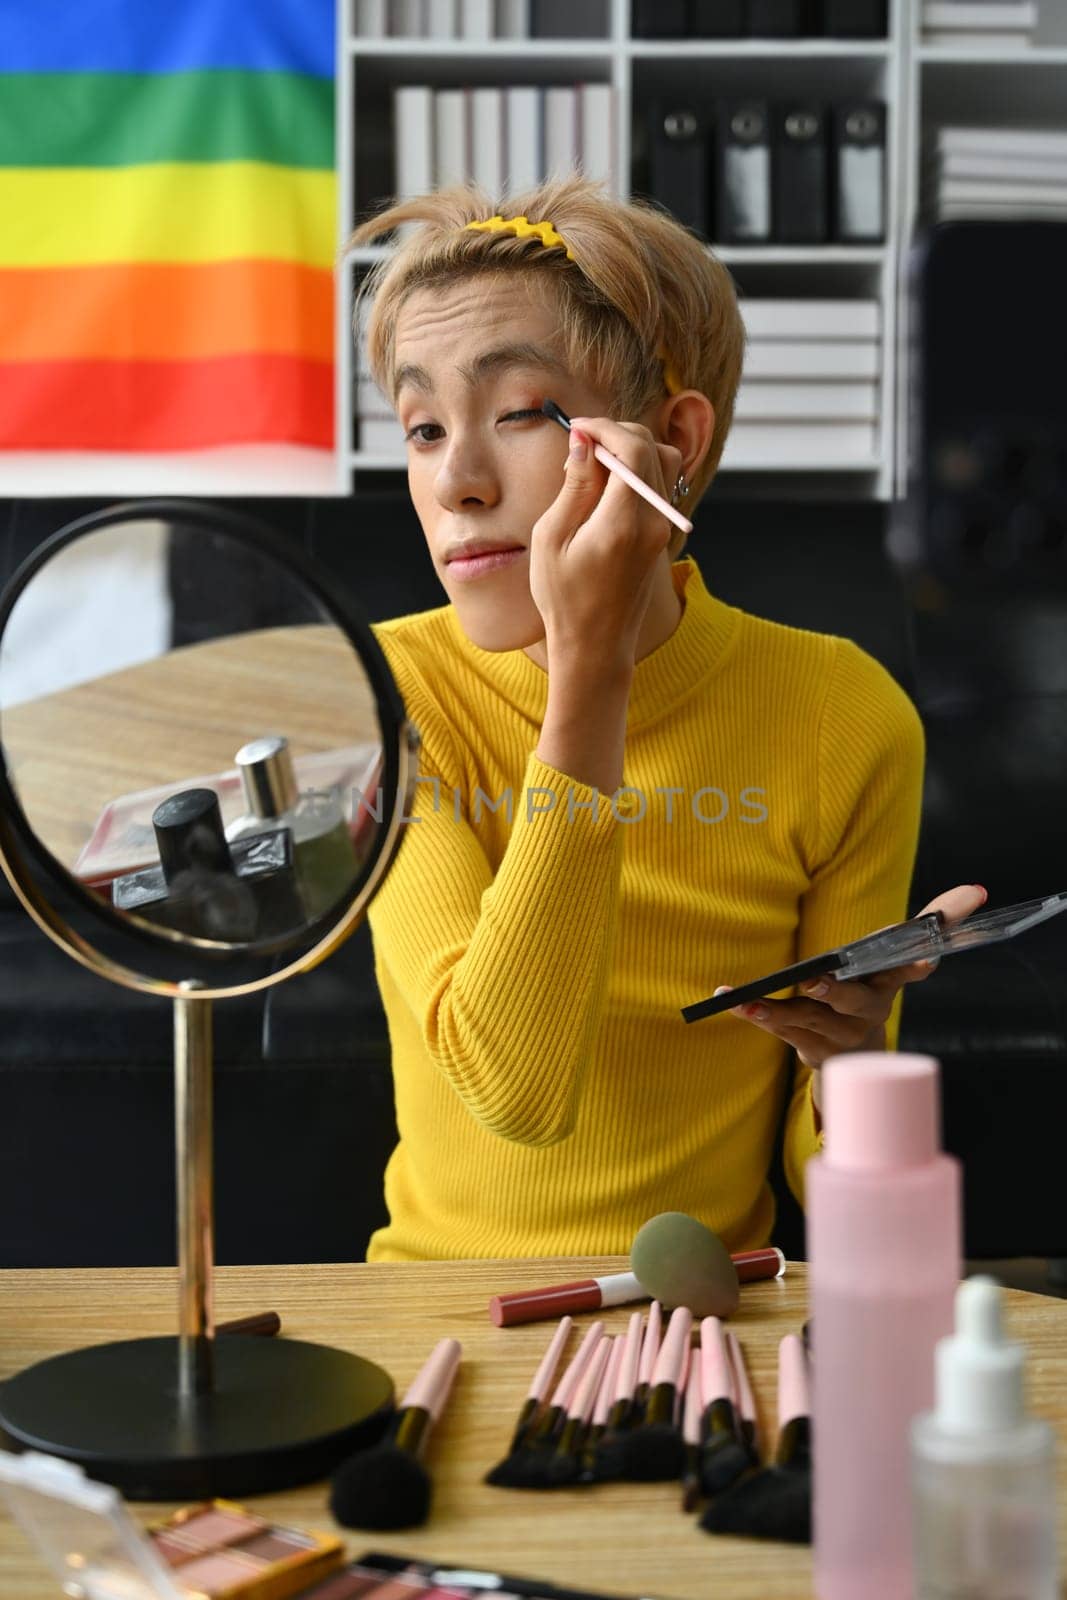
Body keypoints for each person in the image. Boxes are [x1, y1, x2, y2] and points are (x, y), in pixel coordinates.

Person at [346, 175, 984, 1263]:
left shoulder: (842, 714)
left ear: (670, 439)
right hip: (429, 1306)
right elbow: (513, 1089)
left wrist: (846, 1067)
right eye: (419, 427)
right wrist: (587, 670)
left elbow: (828, 1193)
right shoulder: (382, 694)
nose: (455, 480)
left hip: (708, 1303)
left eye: (515, 415)